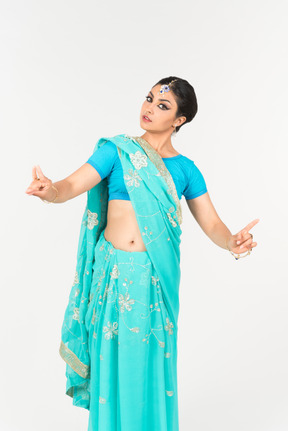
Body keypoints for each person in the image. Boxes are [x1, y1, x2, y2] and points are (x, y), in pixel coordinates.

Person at [25, 76, 259, 431]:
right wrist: (51, 190)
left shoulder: (186, 169)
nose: (149, 108)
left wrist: (231, 243)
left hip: (153, 280)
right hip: (114, 276)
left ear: (180, 120)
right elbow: (73, 184)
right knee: (111, 363)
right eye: (149, 99)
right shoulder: (116, 150)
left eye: (162, 106)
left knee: (149, 364)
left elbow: (211, 223)